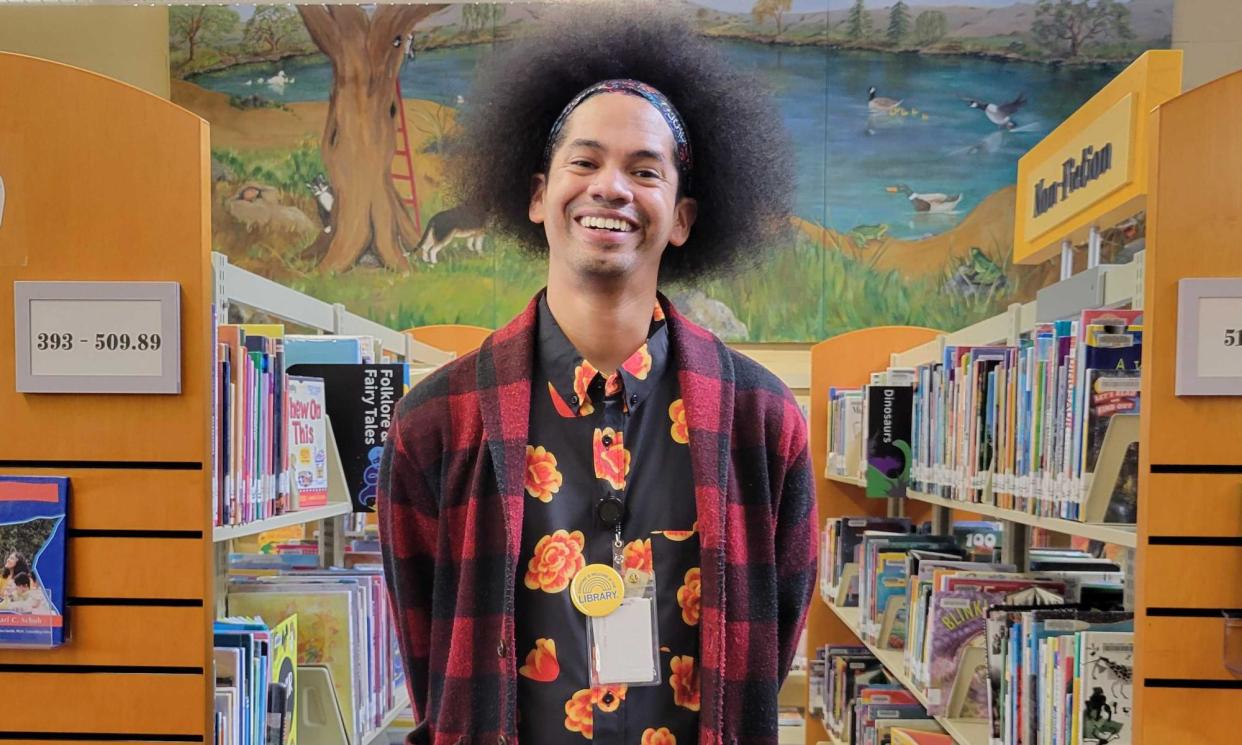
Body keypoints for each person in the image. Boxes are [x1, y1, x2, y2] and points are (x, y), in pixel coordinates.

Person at [379, 6, 816, 744]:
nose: (611, 187)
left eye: (644, 170)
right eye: (584, 162)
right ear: (535, 194)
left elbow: (767, 643)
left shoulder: (762, 421)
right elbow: (432, 658)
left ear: (680, 217)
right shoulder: (434, 423)